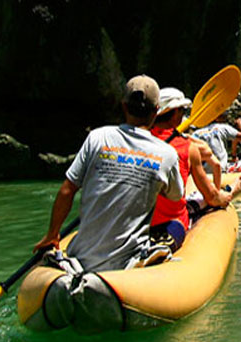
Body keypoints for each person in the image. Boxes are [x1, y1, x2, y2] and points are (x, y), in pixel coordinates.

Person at [33, 75, 184, 272]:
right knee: (177, 228)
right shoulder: (167, 154)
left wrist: (52, 234)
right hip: (128, 265)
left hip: (82, 260)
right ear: (156, 110)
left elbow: (67, 190)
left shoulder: (97, 137)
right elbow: (176, 195)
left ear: (124, 106)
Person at [149, 87, 241, 254]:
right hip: (172, 223)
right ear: (175, 113)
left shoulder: (135, 141)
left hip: (138, 224)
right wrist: (233, 189)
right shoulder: (189, 147)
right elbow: (213, 198)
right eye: (182, 110)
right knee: (207, 199)